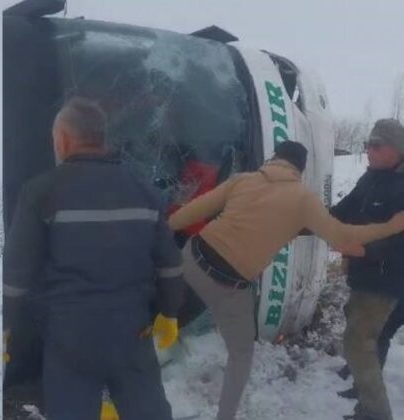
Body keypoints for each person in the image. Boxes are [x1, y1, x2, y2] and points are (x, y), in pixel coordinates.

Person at [168, 140, 404, 420]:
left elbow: (190, 213)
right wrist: (391, 227)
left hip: (192, 259)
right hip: (230, 286)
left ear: (273, 159)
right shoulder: (303, 199)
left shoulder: (242, 180)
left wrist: (155, 233)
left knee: (155, 311)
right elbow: (343, 236)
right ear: (300, 170)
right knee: (241, 356)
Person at [3, 97, 185, 420]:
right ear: (100, 138)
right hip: (132, 335)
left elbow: (18, 274)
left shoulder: (40, 192)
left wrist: (6, 326)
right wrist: (169, 312)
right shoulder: (144, 192)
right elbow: (169, 264)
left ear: (62, 139)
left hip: (70, 340)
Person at [330, 118, 404, 420]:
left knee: (359, 342)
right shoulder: (370, 177)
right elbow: (343, 210)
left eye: (376, 144)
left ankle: (375, 414)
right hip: (369, 276)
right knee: (376, 336)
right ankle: (363, 387)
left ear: (397, 150)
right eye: (367, 144)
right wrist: (308, 219)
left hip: (388, 280)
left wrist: (364, 250)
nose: (369, 150)